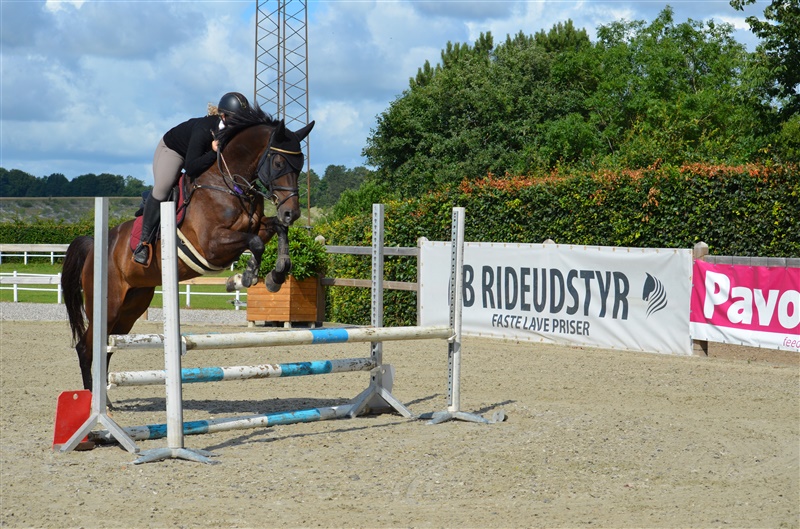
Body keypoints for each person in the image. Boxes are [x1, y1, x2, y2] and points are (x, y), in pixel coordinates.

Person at [132, 92, 250, 265]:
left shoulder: (236, 130)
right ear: (223, 116)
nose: (240, 124)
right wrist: (213, 152)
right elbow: (192, 167)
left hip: (201, 153)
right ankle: (144, 243)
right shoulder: (203, 129)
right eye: (236, 119)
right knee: (163, 188)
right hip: (173, 150)